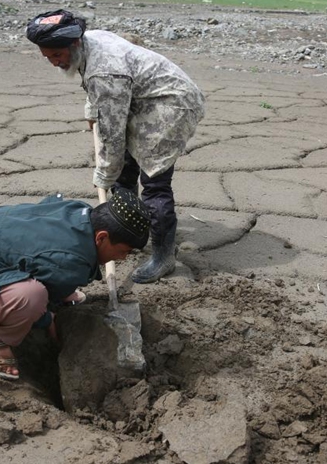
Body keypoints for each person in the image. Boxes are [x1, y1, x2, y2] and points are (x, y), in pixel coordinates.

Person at [25, 10, 205, 284]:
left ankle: (163, 256)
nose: (53, 62)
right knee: (124, 172)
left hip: (171, 105)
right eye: (47, 56)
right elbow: (95, 89)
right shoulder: (88, 42)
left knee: (153, 182)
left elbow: (112, 135)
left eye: (57, 55)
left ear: (74, 44)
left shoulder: (105, 72)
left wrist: (104, 175)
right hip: (141, 98)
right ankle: (129, 229)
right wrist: (91, 109)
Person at [0, 189, 151, 380]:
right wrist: (47, 319)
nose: (121, 259)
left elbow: (49, 204)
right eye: (122, 251)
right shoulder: (69, 262)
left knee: (55, 280)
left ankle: (49, 289)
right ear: (101, 237)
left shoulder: (80, 211)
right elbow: (46, 302)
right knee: (32, 297)